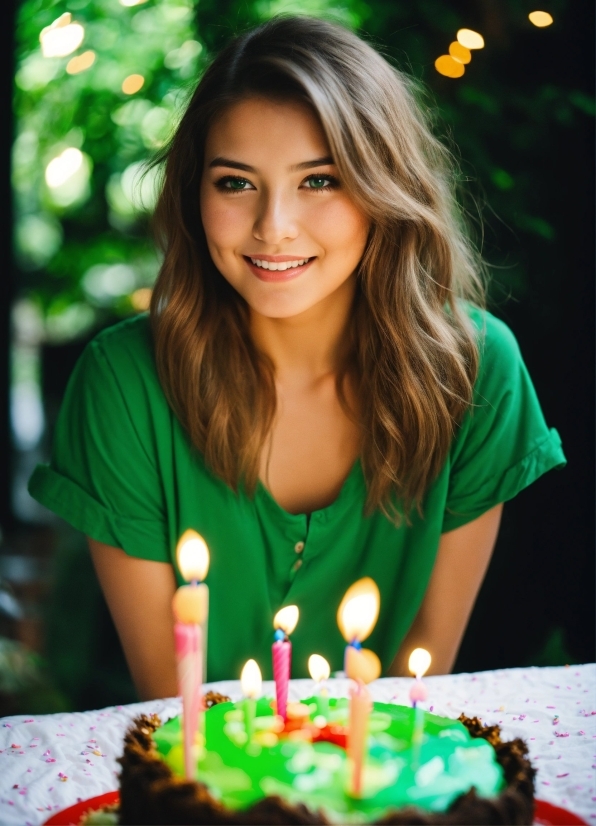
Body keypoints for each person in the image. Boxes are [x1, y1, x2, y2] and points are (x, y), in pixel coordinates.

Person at [29, 16, 566, 701]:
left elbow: (413, 687)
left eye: (319, 181)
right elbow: (171, 700)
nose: (273, 225)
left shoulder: (477, 371)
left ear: (385, 189)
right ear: (194, 196)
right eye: (235, 183)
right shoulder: (124, 380)